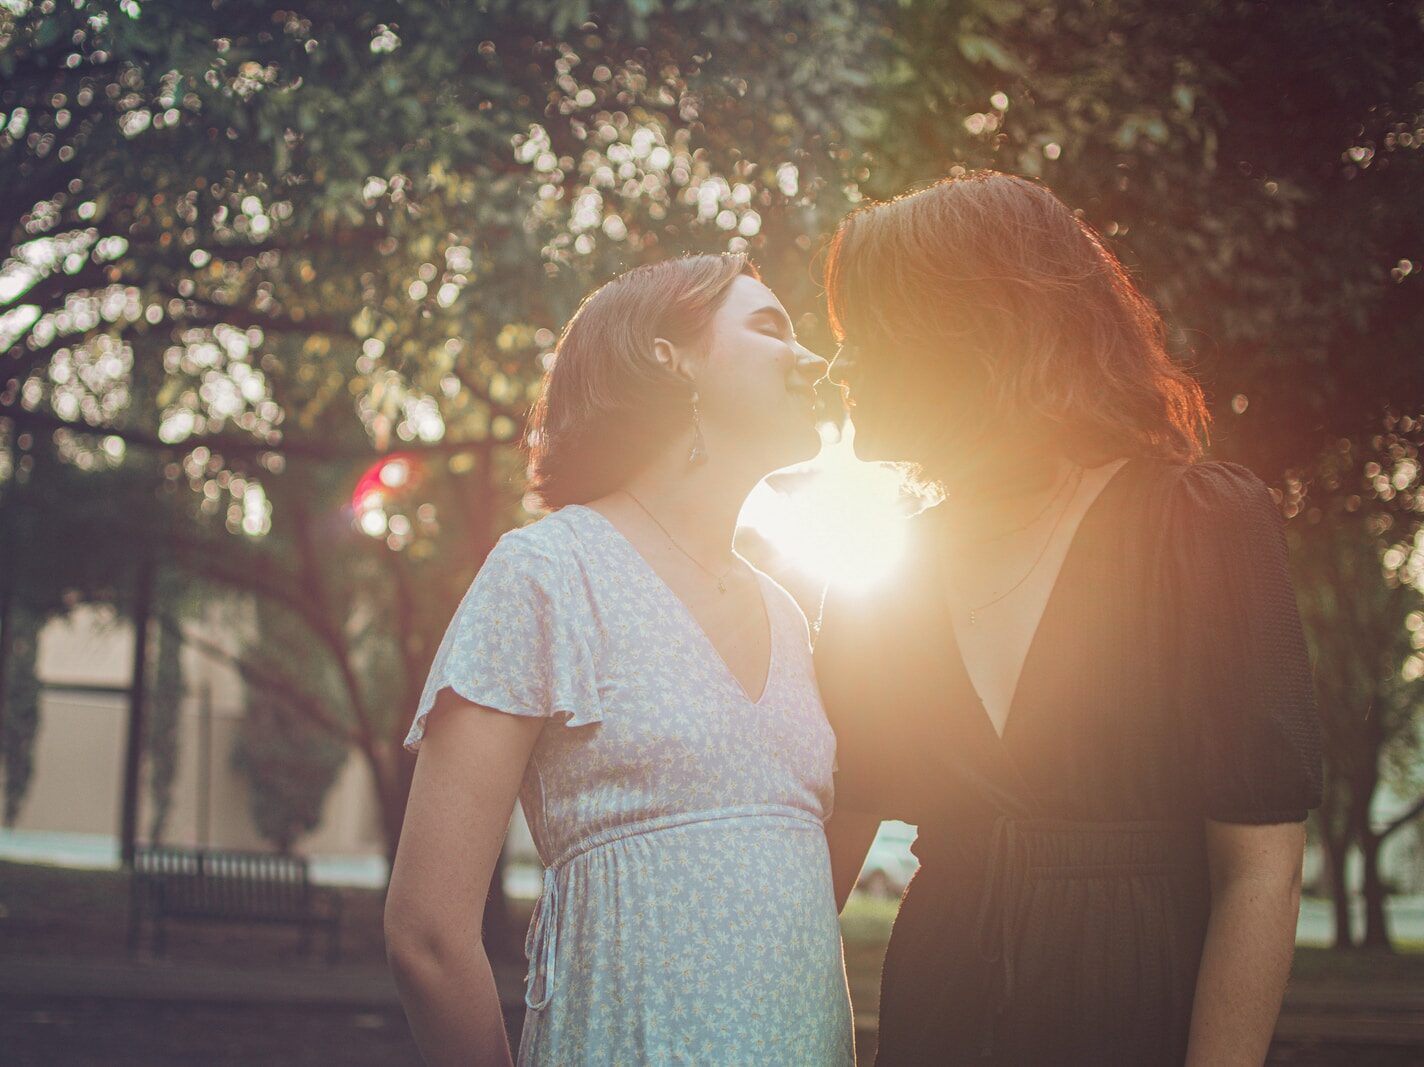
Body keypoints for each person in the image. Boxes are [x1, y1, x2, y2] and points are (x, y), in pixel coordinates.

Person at [817, 172, 1323, 1066]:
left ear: (975, 331)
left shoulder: (1199, 525)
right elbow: (818, 859)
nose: (839, 367)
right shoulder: (884, 578)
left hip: (1136, 1012)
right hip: (942, 1015)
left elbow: (1260, 873)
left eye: (867, 334)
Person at [384, 253, 855, 1066]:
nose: (813, 359)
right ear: (667, 355)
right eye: (771, 326)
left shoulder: (787, 611)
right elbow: (427, 934)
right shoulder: (548, 574)